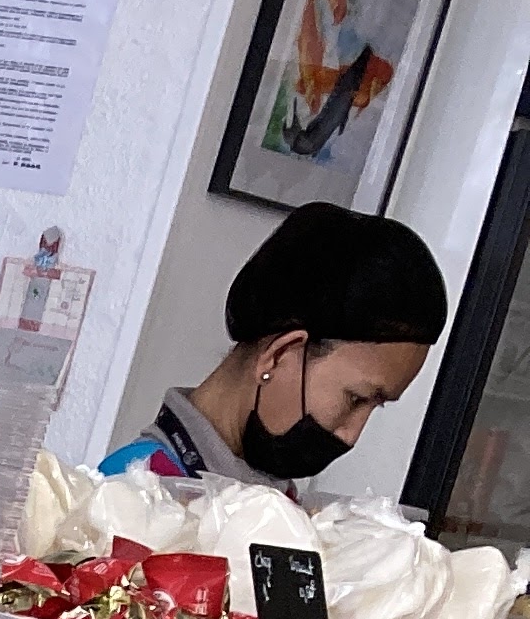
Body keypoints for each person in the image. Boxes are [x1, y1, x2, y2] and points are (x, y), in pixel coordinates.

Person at [103, 204, 449, 489]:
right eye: (356, 399)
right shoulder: (132, 496)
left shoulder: (272, 500)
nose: (351, 436)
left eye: (376, 406)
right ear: (278, 355)